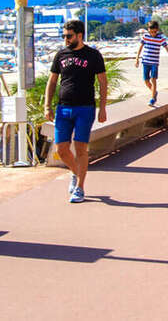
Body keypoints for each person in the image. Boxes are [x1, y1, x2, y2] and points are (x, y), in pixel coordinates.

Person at [44, 19, 108, 204]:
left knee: (80, 148)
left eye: (69, 36)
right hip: (63, 108)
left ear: (79, 35)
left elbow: (102, 82)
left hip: (85, 108)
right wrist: (47, 105)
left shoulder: (93, 55)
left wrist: (102, 108)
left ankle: (80, 187)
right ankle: (75, 172)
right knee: (61, 149)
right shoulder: (61, 55)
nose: (65, 39)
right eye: (63, 35)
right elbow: (52, 81)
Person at [137, 20, 168, 107]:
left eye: (155, 32)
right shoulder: (145, 36)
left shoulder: (160, 38)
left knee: (153, 79)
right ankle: (154, 92)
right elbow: (140, 48)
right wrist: (137, 58)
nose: (153, 33)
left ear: (157, 30)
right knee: (146, 80)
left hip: (154, 63)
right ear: (148, 30)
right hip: (145, 61)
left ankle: (152, 99)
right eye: (151, 32)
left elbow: (167, 48)